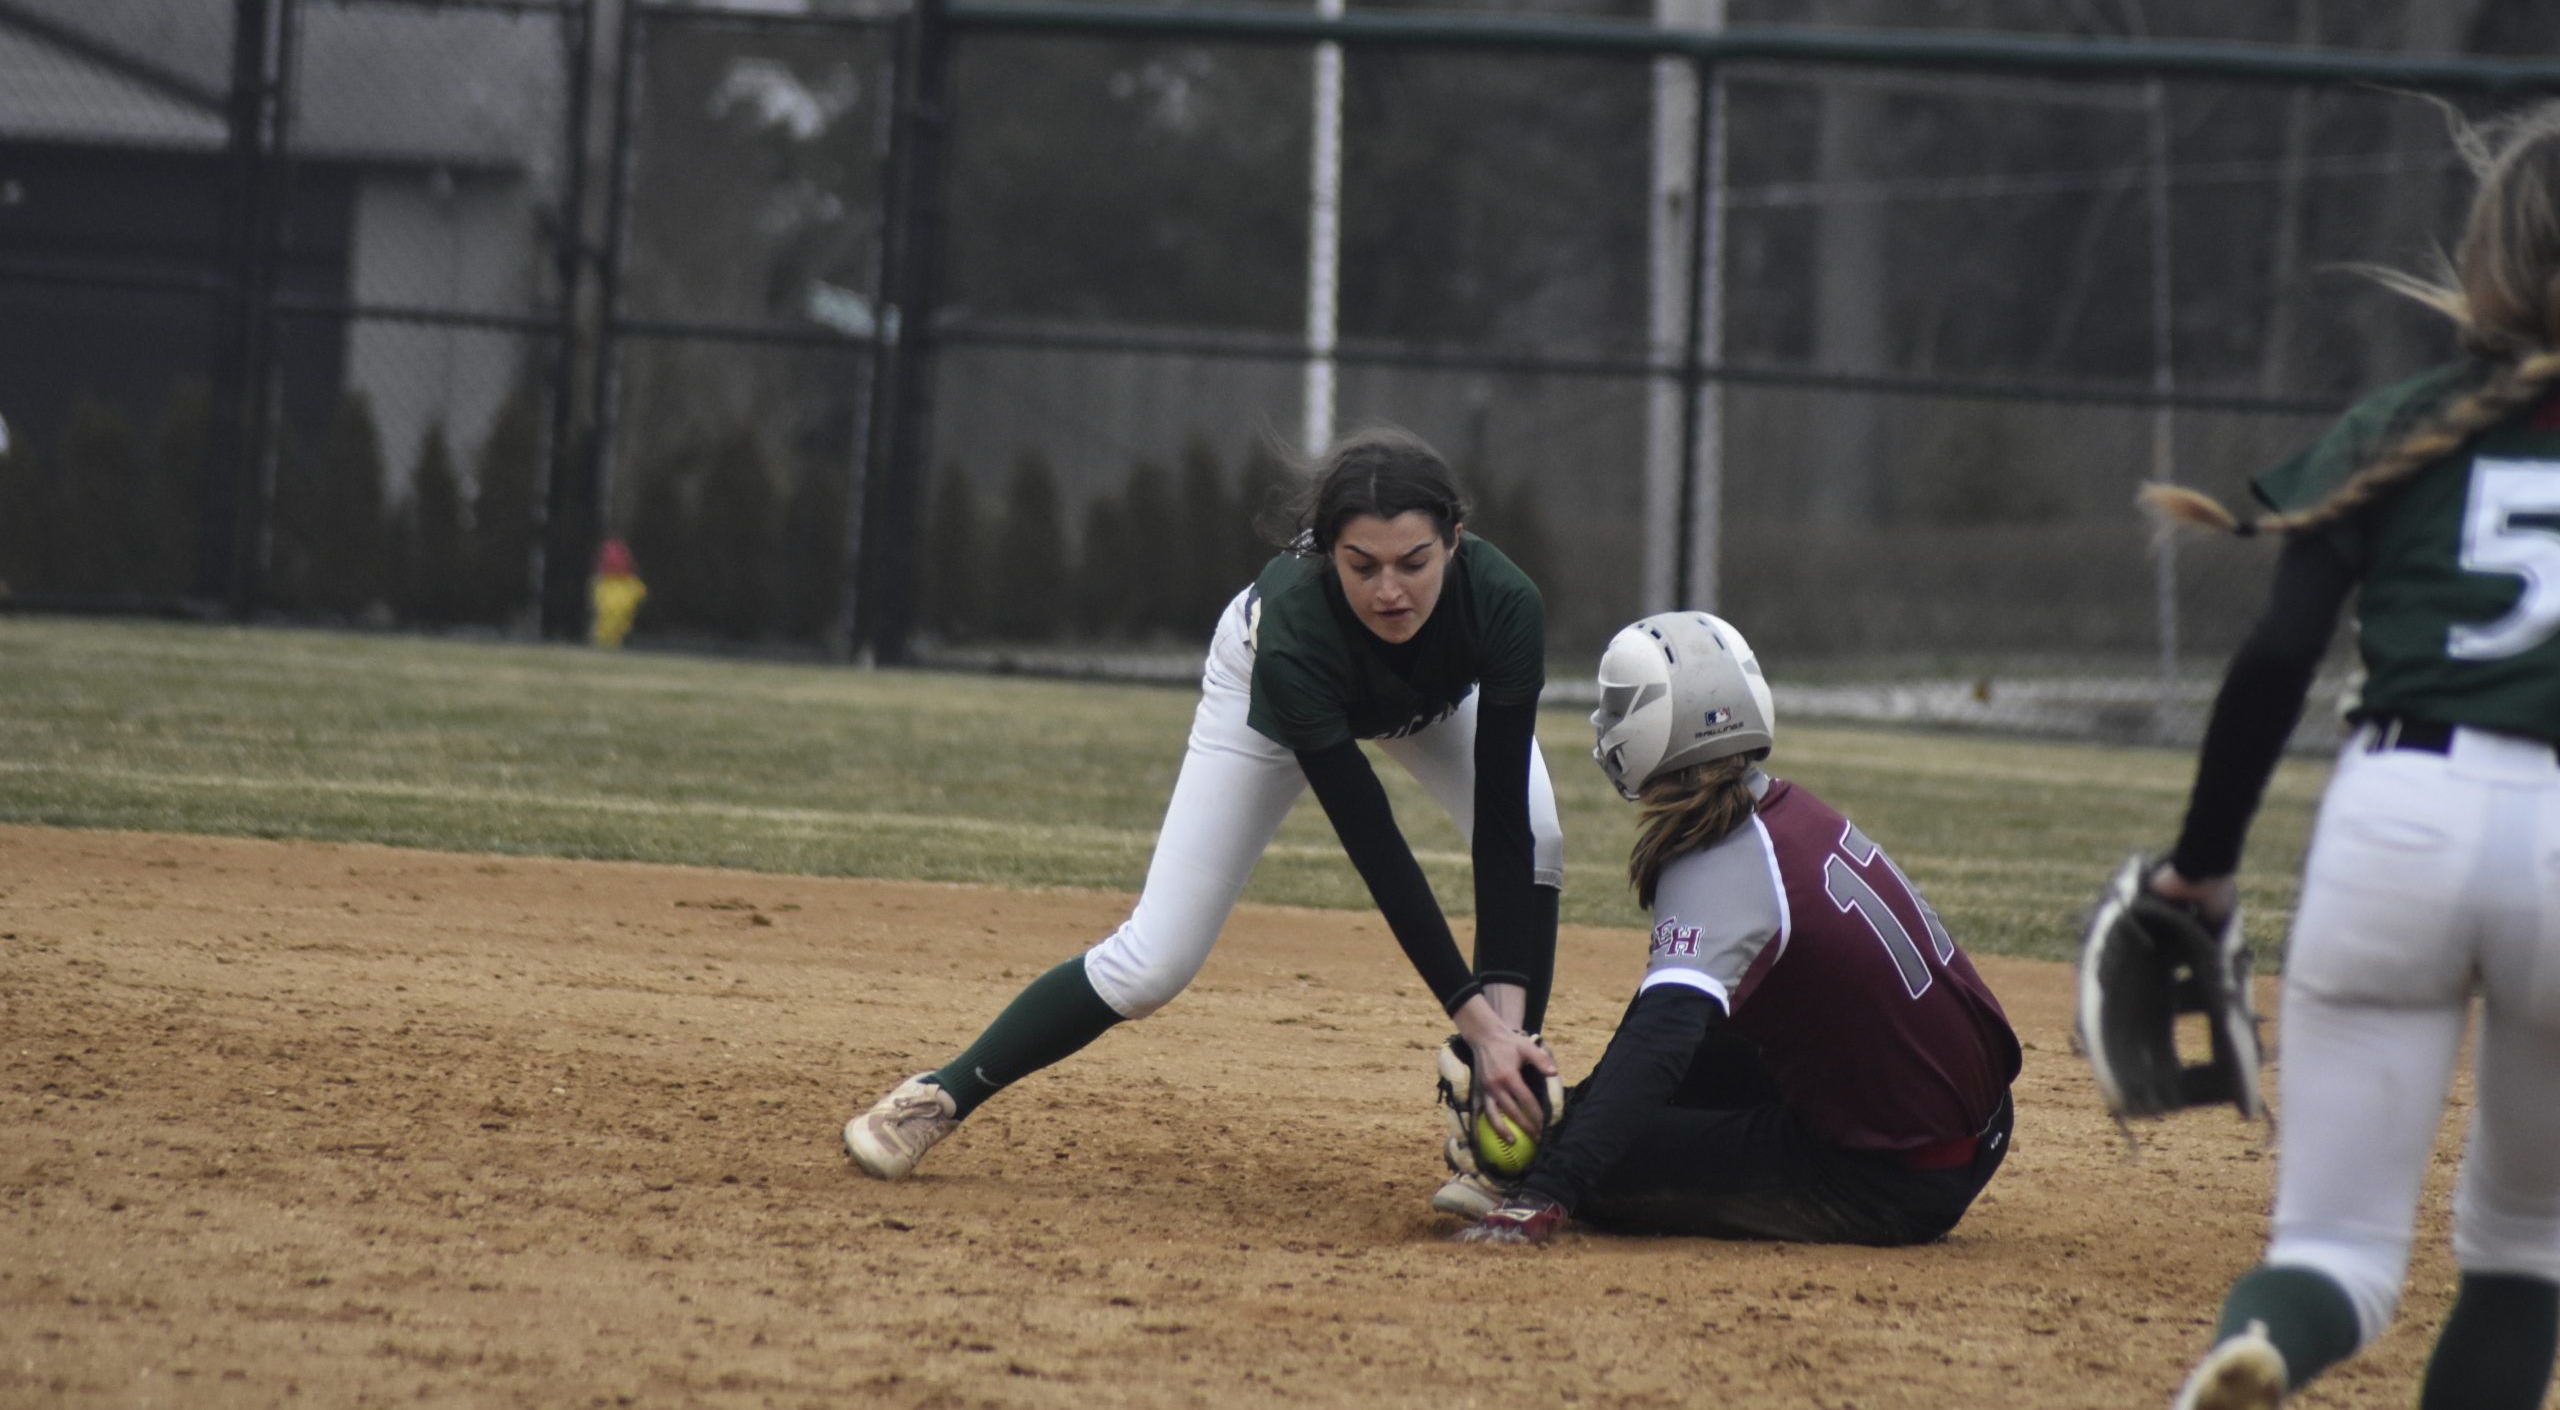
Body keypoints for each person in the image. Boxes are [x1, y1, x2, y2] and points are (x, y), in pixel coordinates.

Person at [843, 429, 1567, 1215]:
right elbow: (1375, 843)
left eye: (1414, 561)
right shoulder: (1297, 630)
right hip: (1275, 690)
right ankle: (937, 1096)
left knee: (1539, 835)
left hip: (1428, 696)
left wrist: (1501, 1032)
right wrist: (1470, 1011)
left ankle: (1498, 1111)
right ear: (1328, 553)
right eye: (1362, 566)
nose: (1390, 589)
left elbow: (1502, 826)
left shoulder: (1504, 603)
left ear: (1455, 540)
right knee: (1154, 961)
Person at [2145, 106, 2560, 1410]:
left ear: (2488, 258)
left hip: (2396, 816)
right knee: (2526, 1247)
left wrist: (2202, 868)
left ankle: (2260, 1343)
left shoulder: (2402, 420)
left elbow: (2276, 657)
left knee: (2336, 1247)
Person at [1453, 611, 2019, 1248]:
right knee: (1682, 1044)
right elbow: (1667, 1028)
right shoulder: (1786, 813)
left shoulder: (1717, 860)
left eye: (1617, 708)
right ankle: (1561, 1133)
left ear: (1650, 726)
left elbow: (1660, 1041)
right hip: (1976, 1126)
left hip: (1897, 1176)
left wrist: (1543, 1188)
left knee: (1606, 1158)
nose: (1604, 724)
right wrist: (1569, 1113)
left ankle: (1542, 1171)